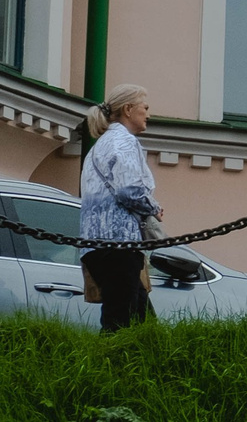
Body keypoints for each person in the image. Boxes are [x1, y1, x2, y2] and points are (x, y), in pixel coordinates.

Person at [80, 84, 163, 331]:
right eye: (144, 107)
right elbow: (129, 189)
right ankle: (111, 356)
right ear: (128, 109)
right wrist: (153, 207)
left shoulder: (100, 145)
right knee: (120, 322)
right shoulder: (125, 141)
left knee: (141, 320)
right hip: (120, 243)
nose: (148, 114)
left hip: (95, 244)